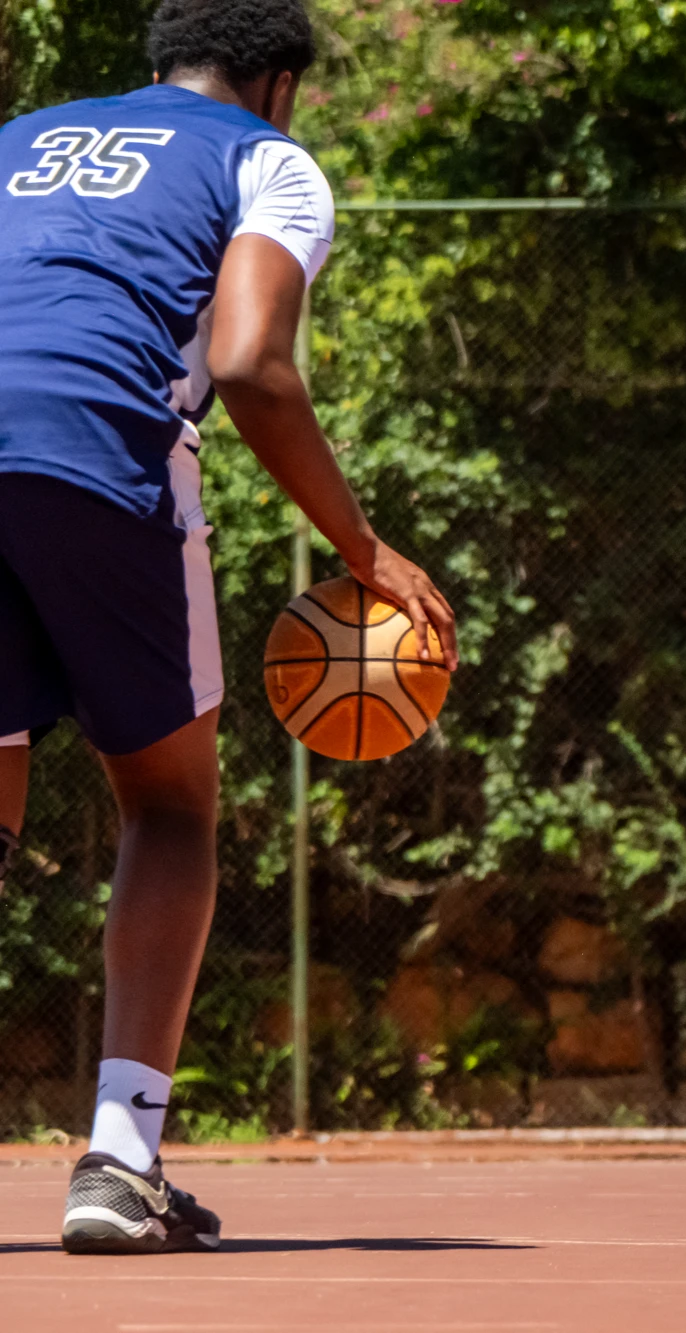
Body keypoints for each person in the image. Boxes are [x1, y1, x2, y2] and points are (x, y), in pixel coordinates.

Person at [0, 0, 457, 1254]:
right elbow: (253, 362)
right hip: (100, 448)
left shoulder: (21, 136)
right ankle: (120, 1156)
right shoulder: (264, 158)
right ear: (279, 85)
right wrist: (364, 552)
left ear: (155, 64)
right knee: (170, 806)